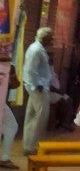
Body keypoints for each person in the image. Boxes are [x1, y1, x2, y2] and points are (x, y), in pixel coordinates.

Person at [22, 27, 54, 155]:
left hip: (34, 86)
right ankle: (33, 147)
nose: (52, 39)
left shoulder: (37, 48)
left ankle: (28, 145)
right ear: (44, 38)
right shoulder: (36, 50)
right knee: (41, 117)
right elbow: (31, 70)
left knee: (31, 115)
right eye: (50, 37)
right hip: (37, 87)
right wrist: (38, 84)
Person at [47, 52, 74, 131]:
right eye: (51, 57)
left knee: (69, 99)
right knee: (67, 101)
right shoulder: (45, 69)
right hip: (50, 93)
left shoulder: (51, 67)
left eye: (53, 57)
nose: (53, 59)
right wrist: (58, 91)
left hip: (56, 93)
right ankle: (64, 123)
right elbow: (47, 85)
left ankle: (63, 121)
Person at [0, 64, 20, 169]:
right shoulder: (8, 66)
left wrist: (11, 77)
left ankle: (4, 158)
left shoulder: (9, 66)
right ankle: (4, 158)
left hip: (2, 102)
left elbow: (16, 84)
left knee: (10, 126)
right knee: (11, 126)